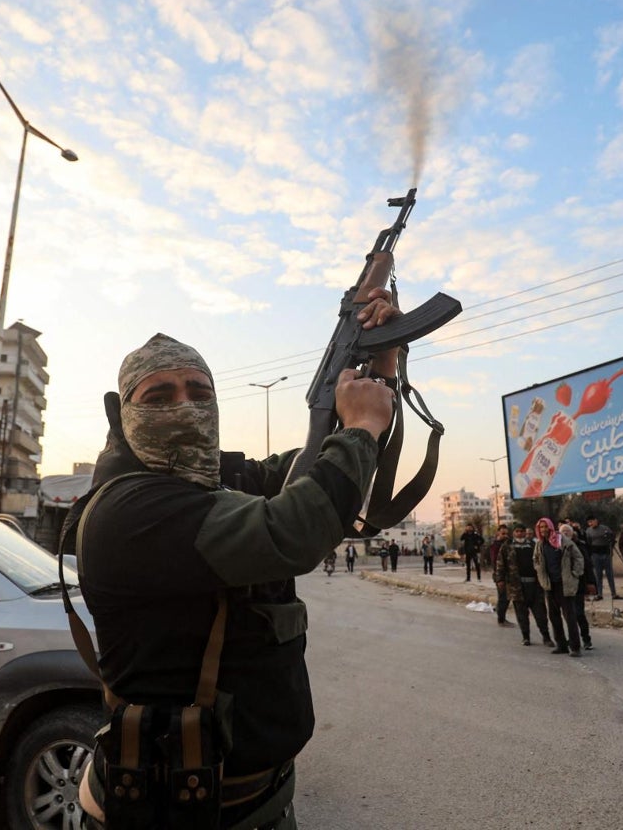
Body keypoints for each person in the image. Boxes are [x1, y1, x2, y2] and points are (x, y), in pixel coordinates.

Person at [73, 297, 399, 829]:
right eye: (160, 395)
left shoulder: (221, 481)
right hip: (175, 814)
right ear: (123, 413)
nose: (185, 404)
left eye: (199, 391)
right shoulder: (128, 509)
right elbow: (295, 529)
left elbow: (324, 473)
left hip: (255, 801)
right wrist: (360, 426)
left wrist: (378, 371)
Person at [532, 517, 586, 657]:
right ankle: (561, 645)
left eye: (545, 527)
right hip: (550, 586)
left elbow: (578, 557)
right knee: (554, 617)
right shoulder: (540, 545)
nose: (543, 530)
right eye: (541, 527)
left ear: (551, 527)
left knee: (570, 617)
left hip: (564, 584)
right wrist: (540, 574)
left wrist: (575, 573)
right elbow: (536, 560)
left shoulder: (562, 541)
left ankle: (575, 647)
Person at [494, 523, 552, 646]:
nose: (519, 533)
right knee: (521, 614)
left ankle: (546, 637)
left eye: (522, 531)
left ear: (525, 533)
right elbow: (500, 564)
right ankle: (526, 637)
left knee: (540, 613)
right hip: (517, 586)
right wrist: (500, 580)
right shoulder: (507, 546)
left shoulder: (533, 545)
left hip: (535, 585)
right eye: (517, 531)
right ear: (513, 533)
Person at [559, 523, 595, 650]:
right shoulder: (557, 546)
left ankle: (586, 638)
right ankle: (573, 639)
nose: (565, 534)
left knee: (579, 613)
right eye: (563, 532)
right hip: (564, 586)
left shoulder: (580, 546)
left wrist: (591, 583)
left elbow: (587, 565)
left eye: (567, 532)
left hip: (578, 584)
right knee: (568, 615)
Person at [585, 515, 621, 600]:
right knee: (598, 575)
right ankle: (600, 594)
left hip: (606, 554)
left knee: (610, 574)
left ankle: (613, 593)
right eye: (589, 522)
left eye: (592, 521)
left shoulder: (605, 528)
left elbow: (612, 539)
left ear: (596, 520)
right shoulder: (588, 531)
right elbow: (588, 543)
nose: (591, 524)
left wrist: (610, 547)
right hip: (595, 555)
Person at [486, 525, 512, 626]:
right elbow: (495, 563)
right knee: (503, 598)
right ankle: (501, 620)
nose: (505, 535)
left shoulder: (507, 544)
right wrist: (499, 578)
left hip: (508, 575)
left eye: (506, 533)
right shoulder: (496, 546)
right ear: (498, 533)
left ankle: (502, 618)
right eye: (503, 534)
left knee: (506, 598)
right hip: (500, 576)